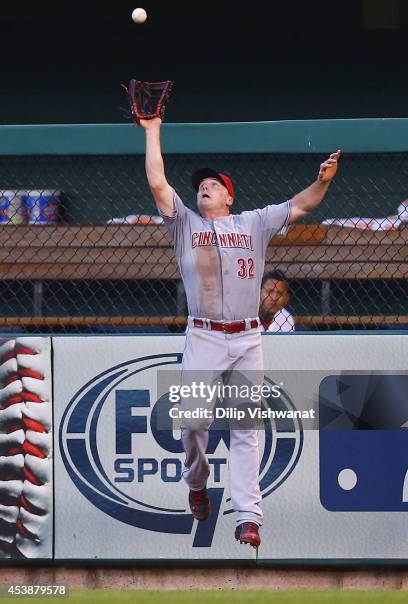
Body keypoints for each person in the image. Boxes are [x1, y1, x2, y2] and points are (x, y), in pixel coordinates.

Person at [140, 115, 340, 549]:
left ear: (229, 197)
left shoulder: (254, 223)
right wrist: (152, 129)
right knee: (193, 424)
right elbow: (158, 182)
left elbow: (301, 205)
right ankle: (197, 483)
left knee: (245, 427)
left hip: (247, 337)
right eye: (201, 184)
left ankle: (249, 517)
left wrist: (322, 180)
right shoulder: (186, 225)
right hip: (205, 336)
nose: (205, 186)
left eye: (214, 184)